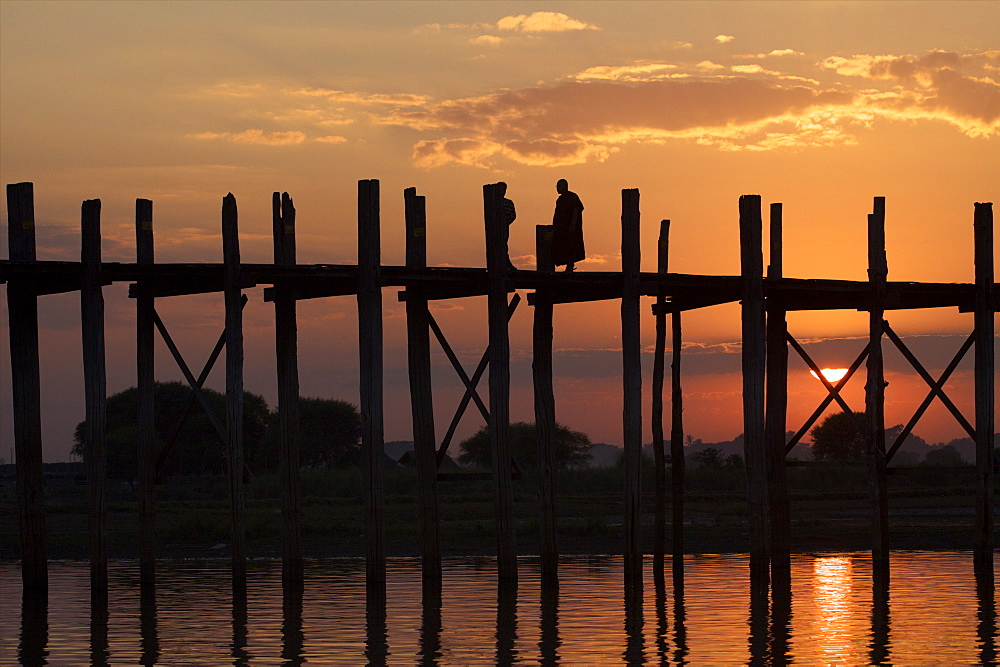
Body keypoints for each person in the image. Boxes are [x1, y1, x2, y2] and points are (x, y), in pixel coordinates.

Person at [551, 178, 584, 272]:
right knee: (561, 246)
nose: (557, 188)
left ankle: (570, 265)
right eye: (556, 186)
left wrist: (573, 225)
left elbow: (577, 209)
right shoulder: (560, 199)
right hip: (561, 228)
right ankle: (565, 264)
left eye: (559, 186)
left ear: (565, 186)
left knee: (571, 246)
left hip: (569, 227)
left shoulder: (572, 197)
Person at [498, 181, 517, 270]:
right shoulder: (492, 202)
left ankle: (505, 264)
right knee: (498, 246)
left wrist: (504, 222)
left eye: (504, 189)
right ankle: (504, 264)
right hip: (494, 228)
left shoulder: (508, 203)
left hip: (504, 228)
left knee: (503, 245)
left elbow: (512, 216)